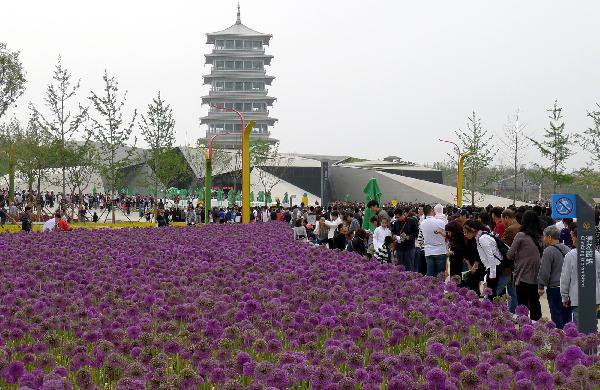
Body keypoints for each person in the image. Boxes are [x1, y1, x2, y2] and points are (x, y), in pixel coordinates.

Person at [560, 223, 600, 324]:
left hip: (577, 297)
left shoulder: (570, 256)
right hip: (593, 297)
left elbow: (565, 278)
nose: (571, 239)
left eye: (572, 236)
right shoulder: (596, 254)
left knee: (580, 329)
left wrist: (564, 297)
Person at [507, 210, 543, 321]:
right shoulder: (541, 236)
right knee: (535, 301)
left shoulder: (521, 235)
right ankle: (537, 326)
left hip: (522, 274)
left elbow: (510, 254)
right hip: (537, 275)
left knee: (522, 303)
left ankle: (524, 326)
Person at [537, 225, 571, 329]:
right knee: (567, 315)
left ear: (550, 237)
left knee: (556, 314)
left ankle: (560, 338)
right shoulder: (567, 249)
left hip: (555, 288)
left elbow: (545, 271)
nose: (544, 239)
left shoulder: (548, 251)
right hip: (568, 287)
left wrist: (541, 286)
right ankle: (569, 336)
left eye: (545, 236)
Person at [463, 220, 501, 299]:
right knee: (492, 295)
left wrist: (492, 275)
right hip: (492, 267)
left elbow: (490, 256)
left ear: (473, 230)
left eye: (466, 232)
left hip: (495, 267)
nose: (465, 234)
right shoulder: (479, 237)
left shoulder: (482, 238)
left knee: (491, 296)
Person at [420, 204, 447, 277]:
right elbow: (447, 235)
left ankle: (431, 288)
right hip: (440, 251)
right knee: (440, 276)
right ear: (432, 211)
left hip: (428, 251)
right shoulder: (440, 222)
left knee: (430, 275)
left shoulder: (422, 223)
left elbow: (421, 238)